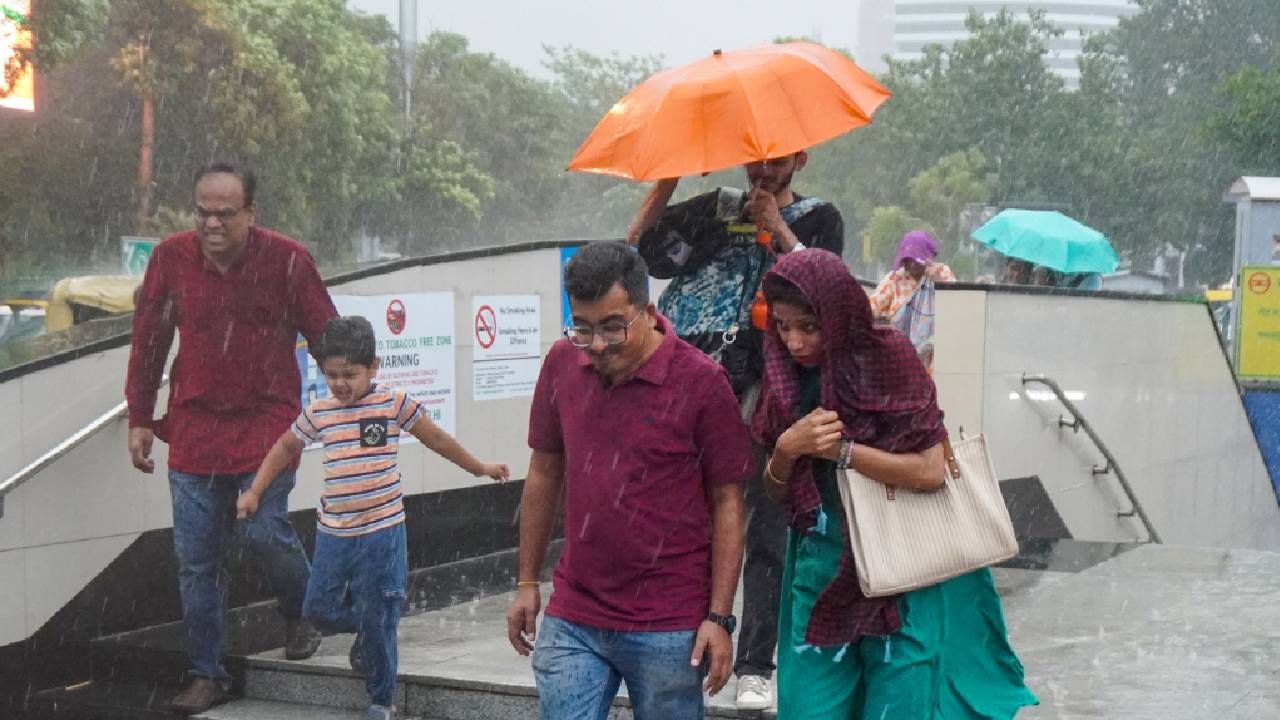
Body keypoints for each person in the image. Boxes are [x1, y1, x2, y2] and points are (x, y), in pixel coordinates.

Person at [752, 250, 1038, 719]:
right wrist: (786, 449)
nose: (795, 342)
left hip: (903, 577)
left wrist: (843, 453)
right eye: (782, 327)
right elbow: (776, 491)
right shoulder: (784, 378)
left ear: (838, 313)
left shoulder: (888, 358)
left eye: (809, 326)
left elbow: (930, 470)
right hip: (820, 577)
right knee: (808, 709)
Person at [627, 152, 844, 711]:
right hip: (694, 384)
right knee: (686, 518)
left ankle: (755, 664)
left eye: (776, 160)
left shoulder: (819, 218)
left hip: (769, 391)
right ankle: (684, 638)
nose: (762, 170)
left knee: (767, 526)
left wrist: (778, 229)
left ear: (799, 158)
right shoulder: (714, 209)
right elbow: (642, 257)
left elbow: (828, 295)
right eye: (755, 160)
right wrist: (666, 181)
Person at [505, 241, 752, 720]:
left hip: (669, 621)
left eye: (613, 327)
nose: (597, 344)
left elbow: (728, 502)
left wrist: (719, 617)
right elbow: (544, 471)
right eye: (583, 327)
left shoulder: (701, 381)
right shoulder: (562, 362)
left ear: (648, 312)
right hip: (576, 611)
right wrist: (527, 581)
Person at [125, 163, 337, 715]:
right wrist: (140, 416)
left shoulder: (288, 260)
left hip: (267, 425)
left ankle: (302, 609)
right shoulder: (170, 258)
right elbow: (148, 340)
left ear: (251, 213)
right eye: (203, 212)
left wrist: (350, 403)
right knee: (197, 559)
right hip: (194, 429)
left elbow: (327, 335)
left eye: (224, 213)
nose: (212, 224)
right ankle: (207, 673)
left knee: (265, 530)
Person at [238, 316, 509, 720]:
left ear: (374, 367)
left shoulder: (391, 404)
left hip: (382, 531)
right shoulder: (320, 411)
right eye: (332, 375)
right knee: (318, 609)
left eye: (350, 374)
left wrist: (478, 468)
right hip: (333, 533)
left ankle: (382, 699)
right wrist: (255, 491)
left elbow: (436, 438)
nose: (340, 384)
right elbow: (284, 447)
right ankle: (369, 627)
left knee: (380, 615)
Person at [868, 230, 955, 372]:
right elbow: (871, 307)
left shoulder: (941, 272)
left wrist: (937, 281)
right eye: (909, 259)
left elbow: (955, 305)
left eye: (917, 259)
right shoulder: (895, 279)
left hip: (933, 355)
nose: (913, 264)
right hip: (901, 355)